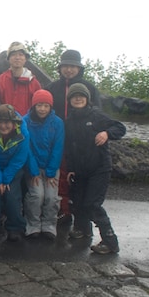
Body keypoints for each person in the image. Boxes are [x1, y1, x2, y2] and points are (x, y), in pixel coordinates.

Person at [64, 83, 126, 254]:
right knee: (77, 201)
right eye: (75, 96)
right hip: (79, 169)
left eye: (81, 96)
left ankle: (110, 241)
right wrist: (70, 168)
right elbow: (69, 147)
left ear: (87, 99)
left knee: (92, 204)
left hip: (99, 168)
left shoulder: (96, 115)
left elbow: (120, 128)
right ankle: (83, 230)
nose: (78, 99)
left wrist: (106, 133)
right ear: (70, 100)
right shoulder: (69, 120)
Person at [46, 49, 102, 220]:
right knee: (61, 173)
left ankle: (79, 212)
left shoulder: (90, 88)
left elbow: (98, 113)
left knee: (78, 174)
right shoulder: (52, 87)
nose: (69, 70)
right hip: (57, 136)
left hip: (82, 138)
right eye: (65, 66)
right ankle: (63, 209)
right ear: (60, 68)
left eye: (72, 66)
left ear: (79, 68)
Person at [0, 104, 34, 242]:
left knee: (12, 196)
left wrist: (6, 179)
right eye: (0, 122)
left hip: (13, 169)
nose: (3, 126)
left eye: (7, 122)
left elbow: (20, 158)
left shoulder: (23, 132)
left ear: (14, 122)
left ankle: (15, 227)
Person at [23, 90, 64, 241]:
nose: (42, 109)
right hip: (33, 167)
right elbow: (26, 147)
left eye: (46, 105)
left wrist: (51, 171)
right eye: (39, 105)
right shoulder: (25, 121)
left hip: (51, 168)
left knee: (51, 197)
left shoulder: (57, 123)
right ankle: (33, 224)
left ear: (50, 107)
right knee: (37, 195)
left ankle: (49, 225)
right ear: (34, 105)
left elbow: (58, 147)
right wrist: (33, 170)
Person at [0, 41, 41, 117]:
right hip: (4, 126)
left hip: (27, 126)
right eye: (13, 55)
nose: (17, 58)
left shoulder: (34, 84)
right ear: (8, 58)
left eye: (21, 55)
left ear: (25, 58)